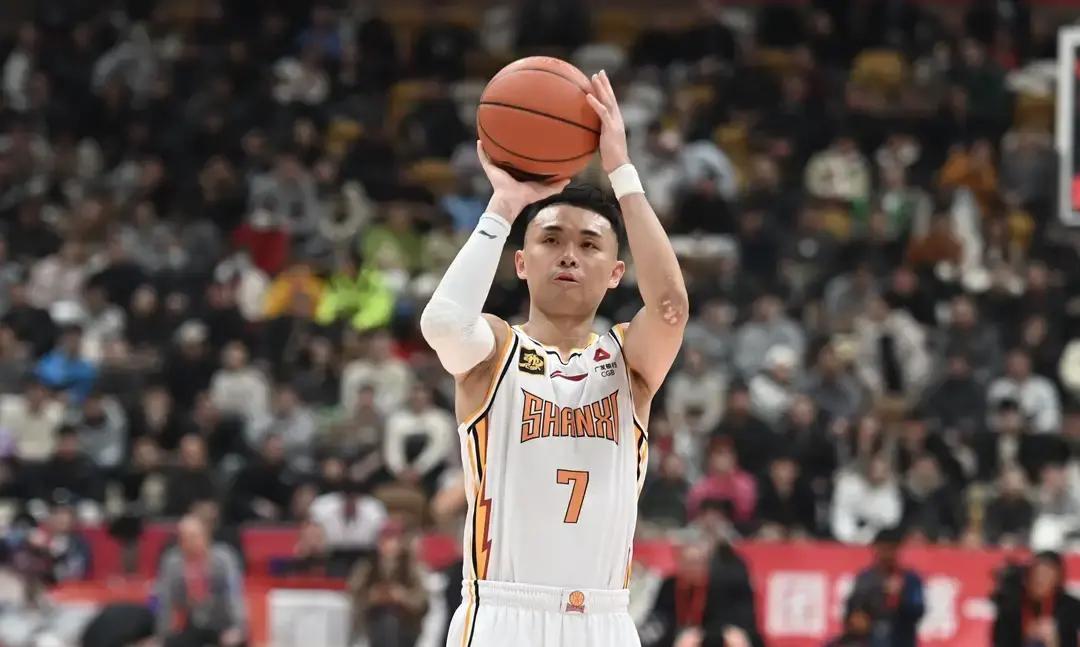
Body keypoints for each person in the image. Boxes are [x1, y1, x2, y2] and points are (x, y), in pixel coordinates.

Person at [421, 70, 687, 647]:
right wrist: (503, 206)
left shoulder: (628, 362)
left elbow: (670, 308)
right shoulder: (496, 350)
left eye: (589, 244)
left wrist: (622, 171)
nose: (569, 255)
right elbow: (443, 324)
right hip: (503, 612)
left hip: (605, 620)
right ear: (521, 262)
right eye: (550, 239)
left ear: (616, 273)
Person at [155, 514, 246, 646]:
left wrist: (238, 628)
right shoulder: (172, 562)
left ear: (206, 536)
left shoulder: (223, 558)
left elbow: (234, 596)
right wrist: (162, 636)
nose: (188, 542)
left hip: (221, 623)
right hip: (190, 625)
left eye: (193, 536)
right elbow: (165, 600)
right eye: (183, 537)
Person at [845, 527, 925, 647]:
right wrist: (857, 618)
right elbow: (853, 608)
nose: (886, 554)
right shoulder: (865, 578)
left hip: (900, 639)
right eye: (883, 549)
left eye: (890, 549)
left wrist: (901, 596)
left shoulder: (909, 578)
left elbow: (917, 611)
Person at [992, 551, 1080, 647]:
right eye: (1036, 573)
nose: (1040, 579)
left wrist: (1054, 641)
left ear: (1058, 579)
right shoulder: (1011, 607)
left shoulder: (1071, 607)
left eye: (1046, 574)